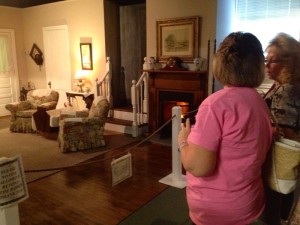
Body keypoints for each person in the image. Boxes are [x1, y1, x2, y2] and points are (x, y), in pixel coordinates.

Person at [178, 32, 273, 225]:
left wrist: (183, 140)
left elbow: (198, 166)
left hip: (217, 208)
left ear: (220, 64)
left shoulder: (214, 105)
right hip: (249, 201)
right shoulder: (259, 102)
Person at [263, 32, 300, 225]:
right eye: (265, 60)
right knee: (284, 192)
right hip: (288, 160)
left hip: (279, 156)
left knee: (273, 202)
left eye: (273, 61)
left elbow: (284, 132)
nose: (266, 65)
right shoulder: (287, 85)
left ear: (290, 62)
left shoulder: (286, 90)